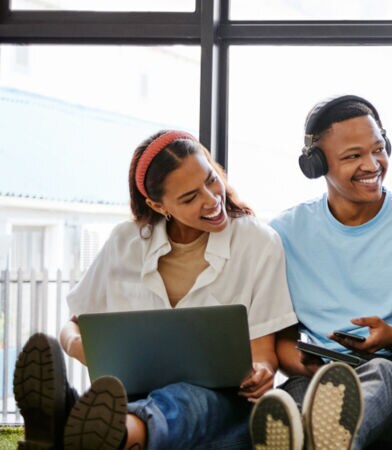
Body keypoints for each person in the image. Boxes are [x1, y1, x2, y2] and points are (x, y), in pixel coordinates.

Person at [13, 130, 297, 449]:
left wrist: (261, 371)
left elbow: (263, 353)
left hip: (222, 401)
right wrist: (77, 346)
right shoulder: (126, 241)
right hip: (134, 390)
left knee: (189, 403)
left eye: (211, 179)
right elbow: (74, 323)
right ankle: (100, 431)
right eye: (189, 198)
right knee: (177, 417)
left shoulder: (258, 242)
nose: (211, 199)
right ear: (157, 205)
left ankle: (89, 426)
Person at [256, 95, 392, 450]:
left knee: (382, 374)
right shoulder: (284, 233)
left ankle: (333, 434)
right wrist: (304, 364)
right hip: (323, 376)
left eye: (378, 149)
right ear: (316, 165)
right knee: (288, 405)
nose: (372, 164)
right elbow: (280, 340)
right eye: (353, 156)